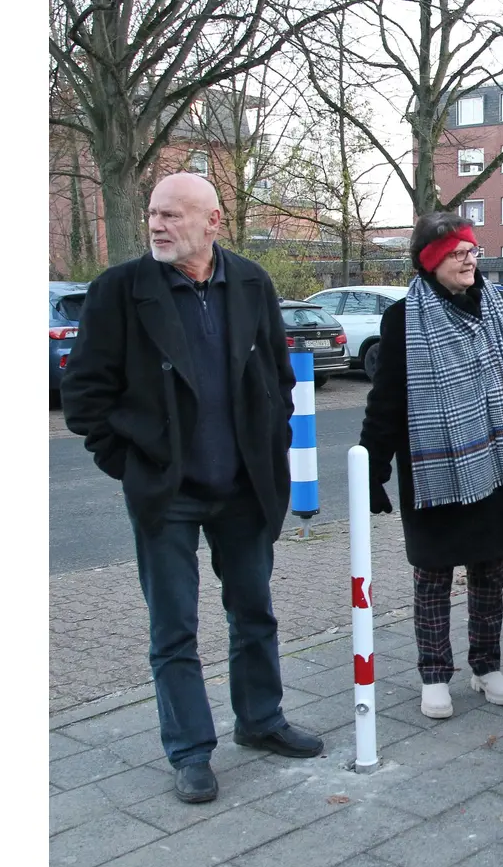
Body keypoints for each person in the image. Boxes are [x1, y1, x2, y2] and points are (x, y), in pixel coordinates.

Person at [62, 173, 323, 805]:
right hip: (166, 491)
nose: (157, 224)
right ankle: (189, 750)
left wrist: (273, 443)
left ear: (213, 223)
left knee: (254, 610)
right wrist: (130, 463)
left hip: (243, 486)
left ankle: (260, 720)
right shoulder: (119, 291)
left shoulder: (253, 283)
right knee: (173, 627)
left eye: (173, 215)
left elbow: (279, 378)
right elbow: (84, 396)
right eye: (153, 212)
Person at [357, 213, 503, 719]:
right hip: (438, 465)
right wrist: (372, 466)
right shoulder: (405, 317)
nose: (470, 260)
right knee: (433, 572)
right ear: (431, 261)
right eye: (458, 253)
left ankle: (486, 664)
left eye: (472, 251)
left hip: (497, 457)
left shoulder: (494, 304)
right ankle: (434, 673)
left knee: (489, 568)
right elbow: (387, 398)